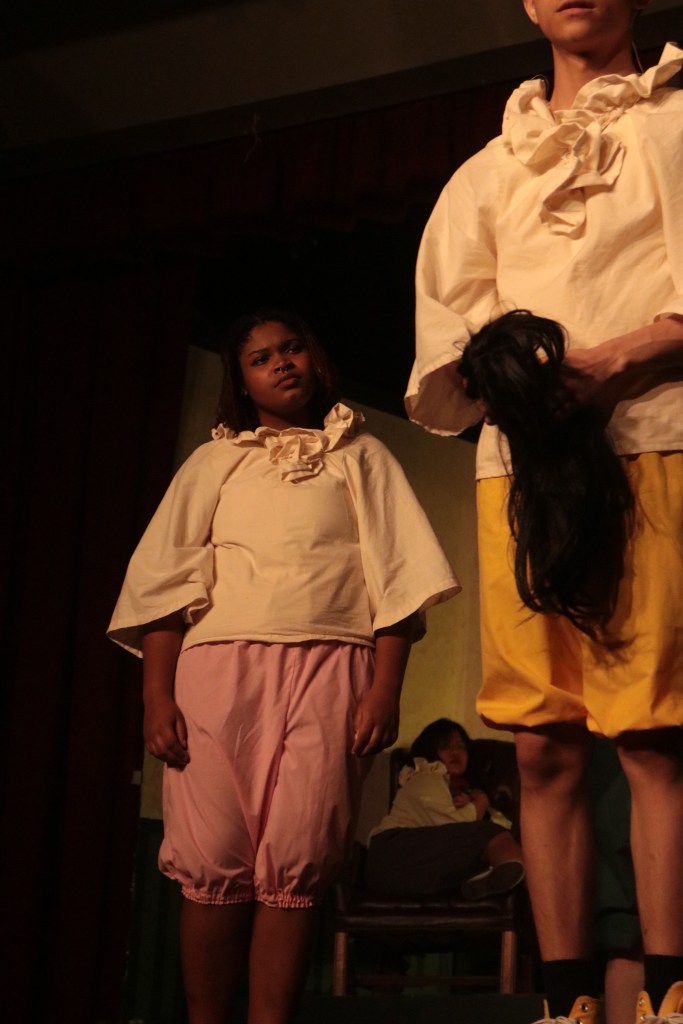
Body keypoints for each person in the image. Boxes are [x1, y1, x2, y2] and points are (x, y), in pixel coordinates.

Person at [406, 1, 683, 1021]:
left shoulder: (674, 127)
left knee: (653, 733)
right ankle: (564, 999)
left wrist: (613, 358)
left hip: (654, 440)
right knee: (539, 741)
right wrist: (515, 380)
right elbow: (448, 328)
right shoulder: (488, 169)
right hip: (522, 469)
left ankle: (669, 991)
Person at [108, 309, 460, 1024]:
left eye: (291, 348)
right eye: (261, 358)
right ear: (242, 381)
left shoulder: (361, 455)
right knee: (215, 854)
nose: (281, 363)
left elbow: (400, 581)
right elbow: (164, 587)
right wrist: (155, 696)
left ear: (314, 356)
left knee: (298, 853)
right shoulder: (214, 463)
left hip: (332, 666)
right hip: (218, 669)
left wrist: (384, 689)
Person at [365, 717, 524, 900]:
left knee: (499, 841)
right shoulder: (426, 776)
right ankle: (517, 875)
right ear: (430, 750)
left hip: (418, 862)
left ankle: (495, 876)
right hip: (391, 855)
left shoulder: (461, 790)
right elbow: (452, 823)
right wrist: (481, 802)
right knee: (493, 834)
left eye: (461, 746)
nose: (455, 752)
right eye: (445, 746)